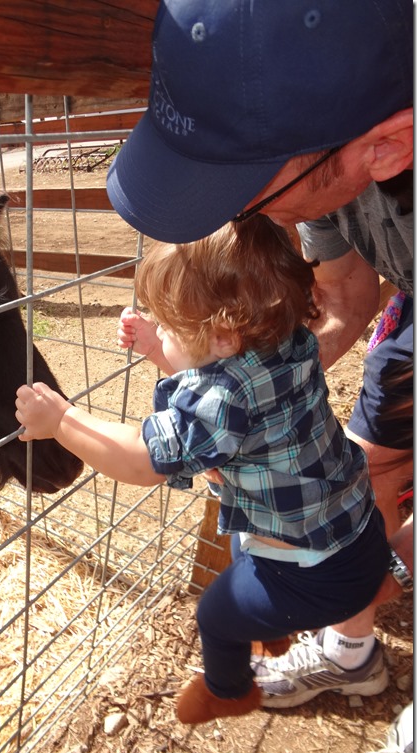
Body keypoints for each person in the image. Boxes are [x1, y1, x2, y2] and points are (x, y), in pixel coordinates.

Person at [105, 0, 413, 707]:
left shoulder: (326, 161)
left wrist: (386, 571)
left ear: (387, 147)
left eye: (242, 197)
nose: (236, 223)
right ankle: (351, 653)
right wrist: (255, 407)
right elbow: (346, 298)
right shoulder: (318, 177)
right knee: (374, 462)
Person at [16, 216, 390, 725]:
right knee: (240, 548)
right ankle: (273, 625)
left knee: (215, 615)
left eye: (173, 326)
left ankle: (228, 691)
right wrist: (158, 346)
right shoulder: (289, 342)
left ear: (223, 336)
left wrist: (62, 420)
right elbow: (220, 393)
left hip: (316, 574)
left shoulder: (225, 397)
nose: (165, 330)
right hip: (355, 529)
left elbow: (141, 458)